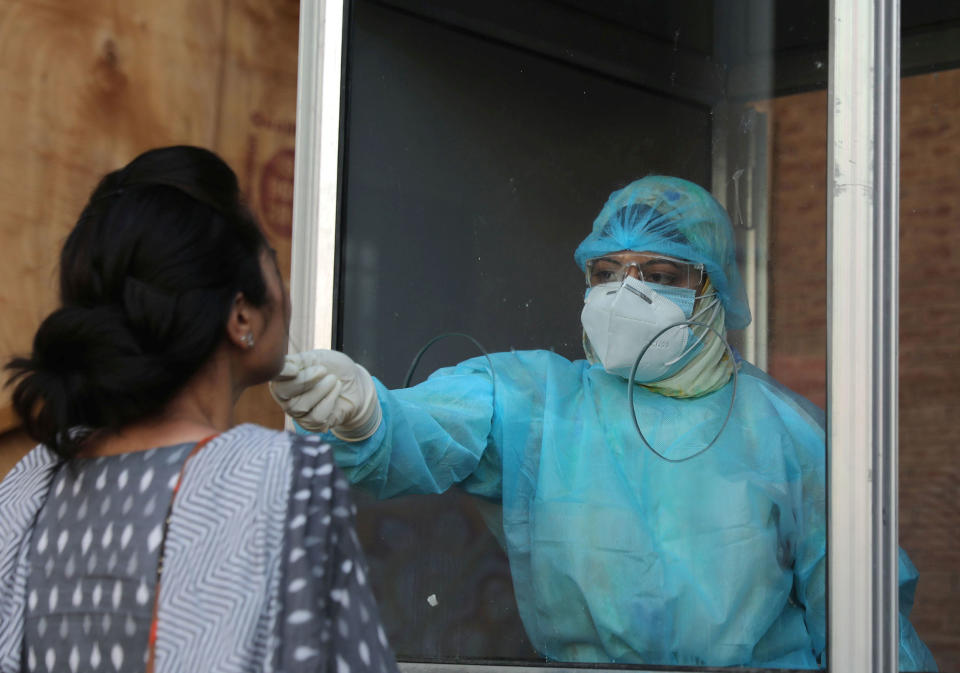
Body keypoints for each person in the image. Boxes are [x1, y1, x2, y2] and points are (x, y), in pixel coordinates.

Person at [270, 176, 937, 670]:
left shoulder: (786, 434)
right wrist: (366, 414)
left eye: (661, 272)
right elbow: (423, 432)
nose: (625, 291)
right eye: (605, 271)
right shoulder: (539, 402)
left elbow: (862, 618)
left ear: (715, 291)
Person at [0, 146, 398, 673]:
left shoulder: (31, 490)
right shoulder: (285, 480)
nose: (285, 290)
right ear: (241, 315)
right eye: (273, 260)